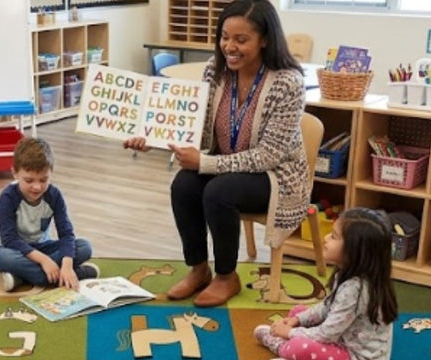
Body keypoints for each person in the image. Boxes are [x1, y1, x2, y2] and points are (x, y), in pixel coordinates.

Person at [123, 0, 307, 307]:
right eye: (224, 37)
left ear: (265, 40)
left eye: (241, 39)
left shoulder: (288, 83)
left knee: (218, 192)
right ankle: (199, 269)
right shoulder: (215, 71)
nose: (229, 47)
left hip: (274, 177)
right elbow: (192, 128)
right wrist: (152, 137)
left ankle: (226, 276)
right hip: (225, 164)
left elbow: (269, 156)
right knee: (183, 184)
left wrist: (206, 162)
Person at [254, 208, 398, 360]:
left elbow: (326, 334)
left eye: (334, 237)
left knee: (299, 347)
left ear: (355, 251)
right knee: (298, 311)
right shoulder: (351, 275)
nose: (326, 239)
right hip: (343, 338)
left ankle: (283, 348)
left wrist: (290, 333)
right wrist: (298, 320)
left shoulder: (356, 290)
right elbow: (326, 307)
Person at [0, 136, 98, 292]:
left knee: (84, 247)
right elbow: (9, 239)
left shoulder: (54, 195)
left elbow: (66, 234)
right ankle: (69, 274)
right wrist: (45, 261)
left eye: (43, 180)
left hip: (42, 247)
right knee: (3, 258)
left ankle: (23, 277)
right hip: (10, 249)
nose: (36, 187)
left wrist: (67, 265)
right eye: (29, 180)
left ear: (51, 173)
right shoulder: (8, 197)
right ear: (15, 173)